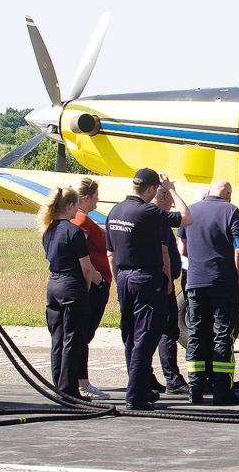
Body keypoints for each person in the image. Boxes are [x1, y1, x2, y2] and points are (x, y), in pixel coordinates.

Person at [106, 168, 191, 410]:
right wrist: (172, 189)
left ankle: (140, 386)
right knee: (146, 335)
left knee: (131, 335)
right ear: (152, 189)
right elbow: (186, 217)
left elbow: (110, 253)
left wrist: (119, 281)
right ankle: (135, 395)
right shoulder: (148, 211)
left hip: (124, 277)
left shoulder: (116, 211)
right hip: (145, 278)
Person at [183, 180, 239, 406]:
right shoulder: (231, 211)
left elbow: (183, 247)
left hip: (195, 282)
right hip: (222, 282)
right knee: (223, 335)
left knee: (196, 335)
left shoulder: (190, 210)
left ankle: (195, 390)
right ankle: (222, 391)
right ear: (228, 193)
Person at [39, 187, 97, 400]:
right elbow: (86, 267)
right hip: (71, 285)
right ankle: (69, 389)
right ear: (71, 205)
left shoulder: (48, 230)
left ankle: (58, 386)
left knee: (57, 338)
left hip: (53, 285)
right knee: (73, 339)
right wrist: (87, 287)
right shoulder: (74, 231)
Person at [69, 178, 112, 400]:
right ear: (85, 198)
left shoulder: (82, 218)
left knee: (83, 334)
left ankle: (77, 381)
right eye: (95, 196)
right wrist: (97, 279)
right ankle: (81, 382)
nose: (98, 199)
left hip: (93, 282)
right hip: (93, 285)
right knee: (83, 334)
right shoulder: (81, 220)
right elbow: (79, 253)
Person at [151, 187, 190, 395]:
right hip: (161, 284)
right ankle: (172, 379)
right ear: (165, 196)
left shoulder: (146, 215)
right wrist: (167, 280)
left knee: (149, 332)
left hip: (147, 282)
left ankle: (145, 376)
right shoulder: (160, 218)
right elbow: (164, 252)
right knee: (167, 330)